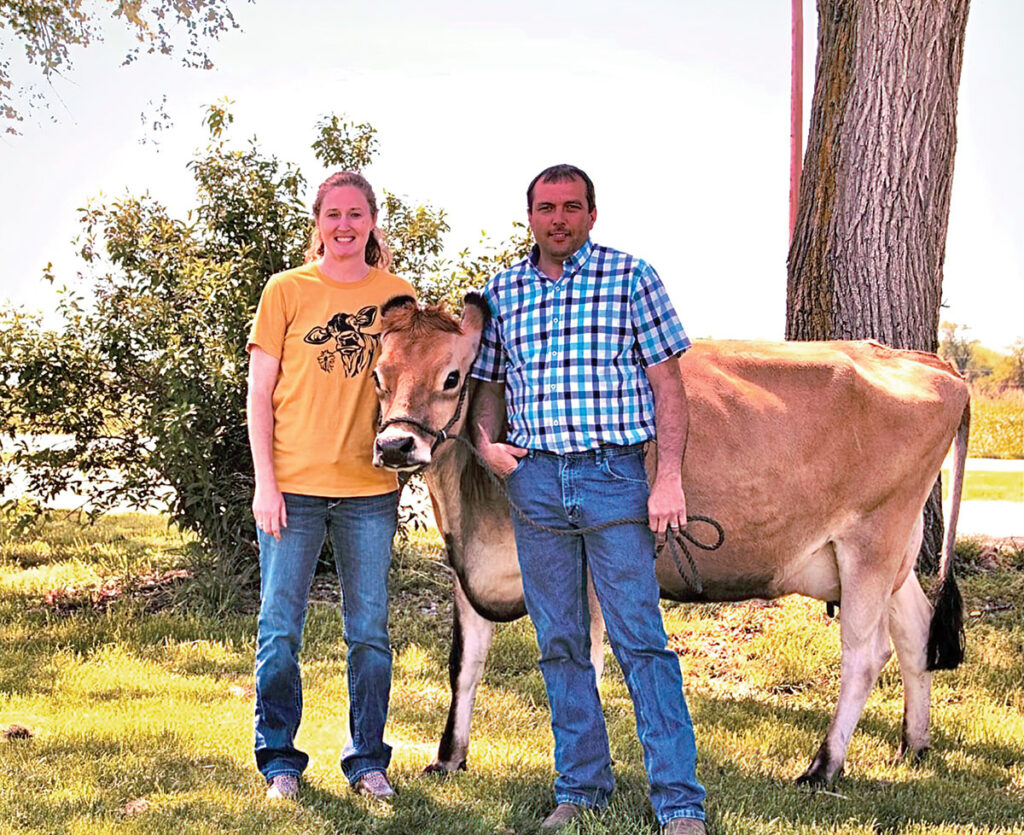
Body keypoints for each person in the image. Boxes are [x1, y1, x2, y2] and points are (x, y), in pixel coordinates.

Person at [471, 165, 707, 834]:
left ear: (591, 215)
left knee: (641, 640)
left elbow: (670, 388)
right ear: (531, 217)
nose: (558, 219)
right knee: (560, 643)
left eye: (571, 207)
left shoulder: (633, 277)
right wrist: (488, 443)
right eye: (546, 208)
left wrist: (669, 478)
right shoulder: (503, 291)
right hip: (536, 483)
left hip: (613, 479)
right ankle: (579, 789)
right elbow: (488, 384)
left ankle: (679, 802)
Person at [246, 171, 414, 802]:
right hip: (290, 488)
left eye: (356, 214)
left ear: (372, 220)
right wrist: (267, 483)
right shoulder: (286, 291)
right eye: (332, 214)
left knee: (369, 630)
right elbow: (260, 393)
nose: (344, 225)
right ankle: (279, 760)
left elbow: (410, 381)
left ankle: (368, 759)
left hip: (369, 492)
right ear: (317, 221)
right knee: (279, 629)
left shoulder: (396, 296)